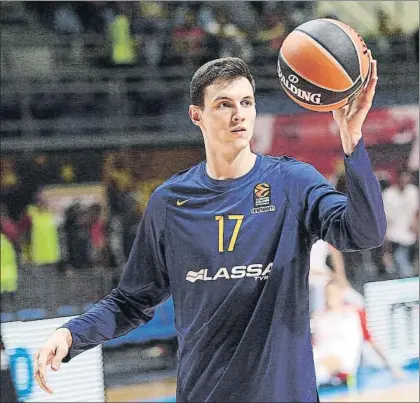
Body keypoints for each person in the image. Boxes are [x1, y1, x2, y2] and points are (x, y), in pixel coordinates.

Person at [35, 55, 385, 402]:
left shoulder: (292, 183)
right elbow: (131, 301)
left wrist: (352, 140)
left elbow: (364, 233)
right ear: (196, 115)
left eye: (246, 102)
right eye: (224, 104)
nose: (239, 113)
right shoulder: (170, 202)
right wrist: (70, 335)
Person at [312, 280, 404, 387]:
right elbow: (314, 342)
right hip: (320, 355)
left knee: (318, 368)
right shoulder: (319, 317)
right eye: (327, 294)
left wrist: (392, 367)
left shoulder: (353, 314)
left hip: (341, 360)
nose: (330, 298)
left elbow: (370, 340)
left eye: (333, 294)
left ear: (341, 294)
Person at [382, 168, 419, 278]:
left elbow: (415, 213)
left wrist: (415, 227)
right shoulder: (388, 195)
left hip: (410, 235)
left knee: (407, 261)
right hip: (394, 236)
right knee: (400, 260)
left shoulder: (413, 192)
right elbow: (385, 218)